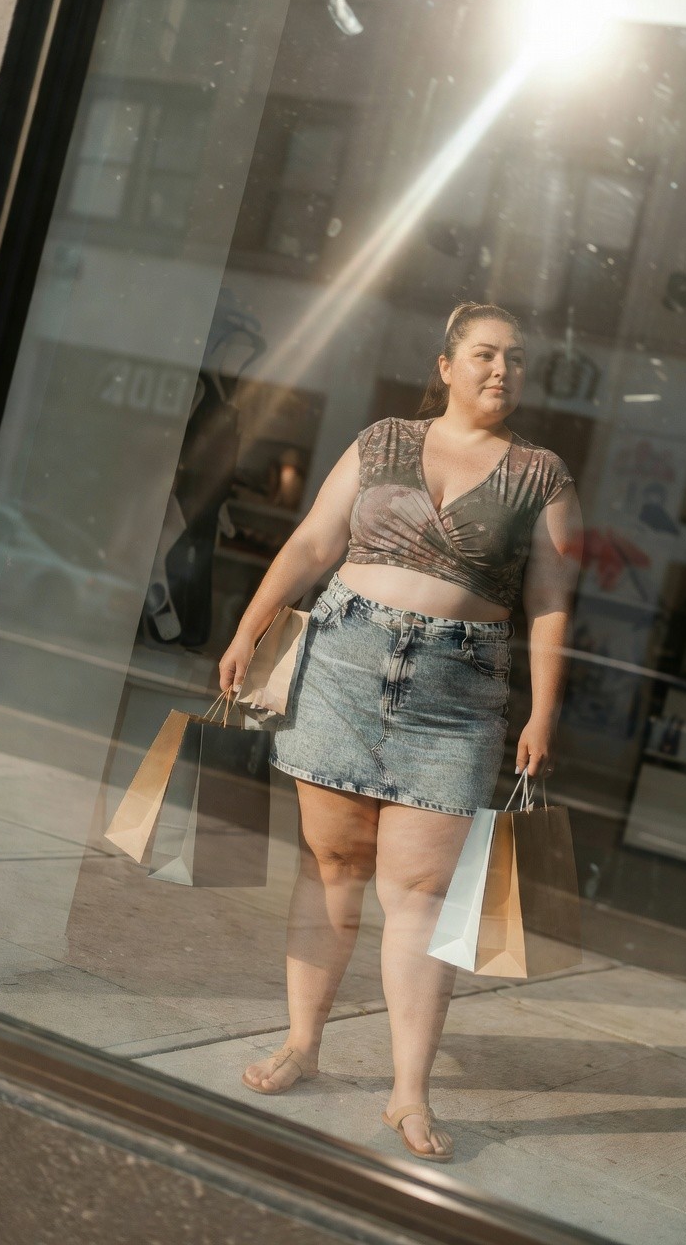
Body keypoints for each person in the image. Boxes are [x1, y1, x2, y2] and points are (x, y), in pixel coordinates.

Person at [219, 301, 583, 1162]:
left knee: (419, 897)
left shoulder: (544, 475)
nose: (503, 371)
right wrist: (249, 626)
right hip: (343, 666)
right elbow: (313, 543)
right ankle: (303, 1044)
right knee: (333, 869)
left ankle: (407, 1094)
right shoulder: (381, 439)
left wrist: (544, 708)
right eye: (487, 355)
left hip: (457, 695)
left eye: (518, 360)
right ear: (447, 363)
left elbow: (552, 602)